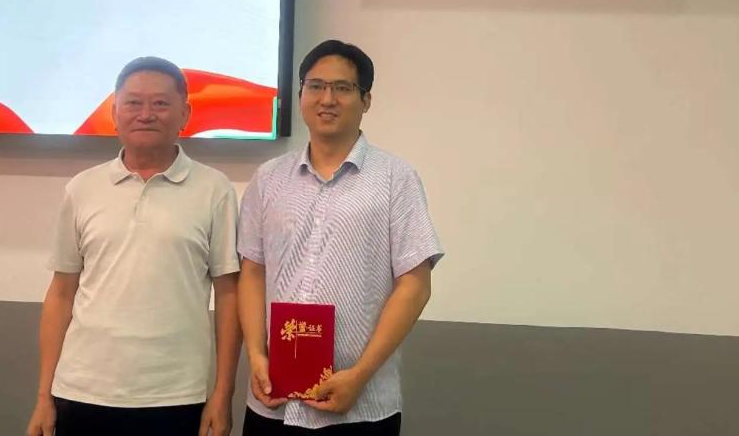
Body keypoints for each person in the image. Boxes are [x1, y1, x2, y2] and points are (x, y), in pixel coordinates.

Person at [26, 57, 241, 436]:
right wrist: (44, 395)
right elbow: (61, 293)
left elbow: (229, 295)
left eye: (160, 103)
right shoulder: (82, 188)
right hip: (81, 390)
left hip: (174, 395)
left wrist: (223, 395)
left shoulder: (214, 190)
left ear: (184, 114)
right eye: (133, 103)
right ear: (114, 113)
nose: (146, 114)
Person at [237, 40, 443, 434]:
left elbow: (415, 285)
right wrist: (257, 356)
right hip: (273, 400)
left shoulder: (396, 179)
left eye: (342, 88)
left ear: (366, 100)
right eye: (315, 86)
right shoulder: (268, 179)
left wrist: (360, 374)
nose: (327, 98)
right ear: (301, 95)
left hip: (361, 404)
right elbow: (253, 270)